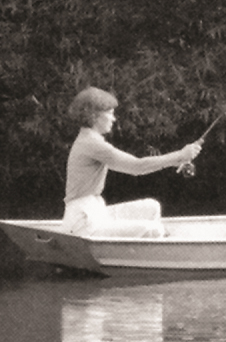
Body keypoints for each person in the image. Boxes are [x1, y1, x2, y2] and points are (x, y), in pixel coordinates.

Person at [61, 87, 202, 238]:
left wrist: (175, 160)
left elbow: (137, 166)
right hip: (82, 222)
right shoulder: (91, 144)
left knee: (152, 207)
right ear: (94, 115)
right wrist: (179, 154)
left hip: (95, 211)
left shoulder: (91, 139)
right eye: (110, 113)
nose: (114, 119)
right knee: (152, 229)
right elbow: (137, 167)